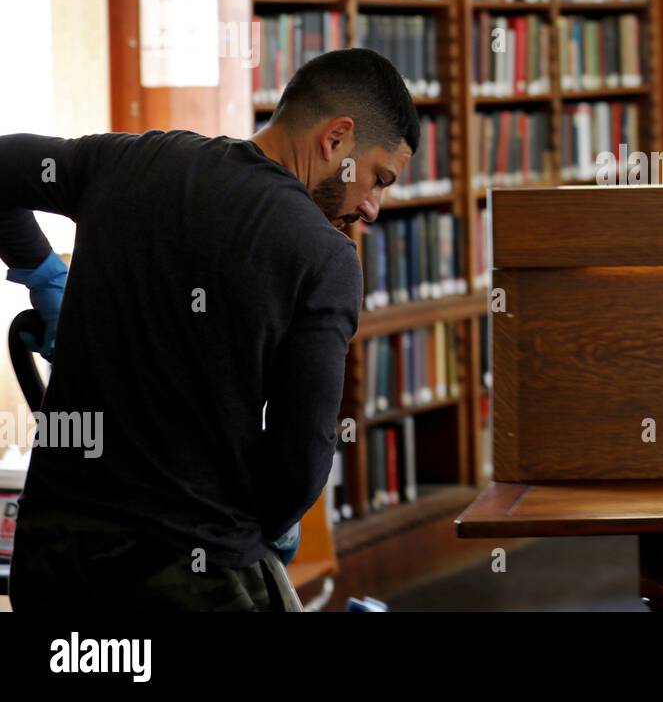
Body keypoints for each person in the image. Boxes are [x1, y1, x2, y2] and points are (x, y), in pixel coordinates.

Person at [0, 48, 416, 610]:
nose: (372, 207)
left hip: (54, 557)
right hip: (190, 571)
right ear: (337, 138)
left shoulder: (129, 161)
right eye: (378, 178)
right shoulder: (324, 258)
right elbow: (301, 457)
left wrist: (41, 274)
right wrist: (275, 522)